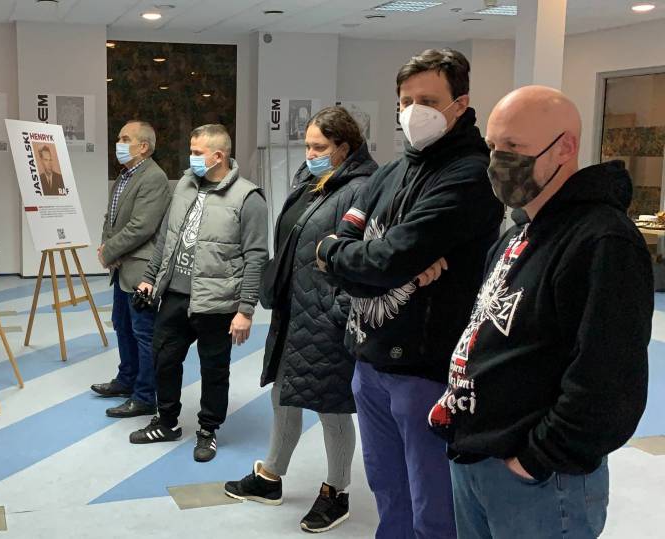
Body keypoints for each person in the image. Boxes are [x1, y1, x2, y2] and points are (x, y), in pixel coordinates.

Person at [427, 86, 652, 538]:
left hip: (539, 481)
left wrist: (536, 458)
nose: (497, 161)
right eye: (493, 146)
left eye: (513, 146)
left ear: (565, 147)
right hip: (477, 455)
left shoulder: (601, 240)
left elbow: (609, 378)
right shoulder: (519, 234)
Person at [315, 48, 504, 538]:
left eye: (428, 101)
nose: (413, 112)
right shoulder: (391, 171)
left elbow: (387, 259)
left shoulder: (470, 175)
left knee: (433, 506)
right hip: (369, 359)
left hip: (426, 369)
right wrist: (349, 256)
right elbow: (348, 244)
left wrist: (362, 260)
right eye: (405, 101)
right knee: (388, 490)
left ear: (460, 104)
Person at [223, 107, 378, 533]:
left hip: (327, 315)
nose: (309, 154)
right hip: (294, 309)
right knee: (284, 393)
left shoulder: (361, 190)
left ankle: (337, 491)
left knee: (331, 406)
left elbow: (361, 258)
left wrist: (338, 309)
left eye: (319, 147)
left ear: (344, 147)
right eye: (307, 145)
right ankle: (271, 476)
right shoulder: (311, 183)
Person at [130, 124, 268, 463]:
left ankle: (208, 429)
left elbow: (256, 257)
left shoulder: (248, 198)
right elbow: (166, 237)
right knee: (164, 359)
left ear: (218, 156)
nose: (190, 158)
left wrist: (245, 310)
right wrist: (150, 279)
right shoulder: (184, 186)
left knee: (214, 369)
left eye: (196, 152)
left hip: (217, 302)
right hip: (175, 295)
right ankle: (167, 421)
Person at [90, 120, 171, 418]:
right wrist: (105, 248)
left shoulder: (154, 177)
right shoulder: (124, 176)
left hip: (140, 270)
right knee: (122, 325)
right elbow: (110, 219)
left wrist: (110, 251)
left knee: (143, 332)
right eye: (119, 138)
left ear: (144, 147)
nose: (119, 144)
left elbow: (142, 226)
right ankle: (126, 380)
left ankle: (145, 396)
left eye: (125, 139)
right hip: (121, 266)